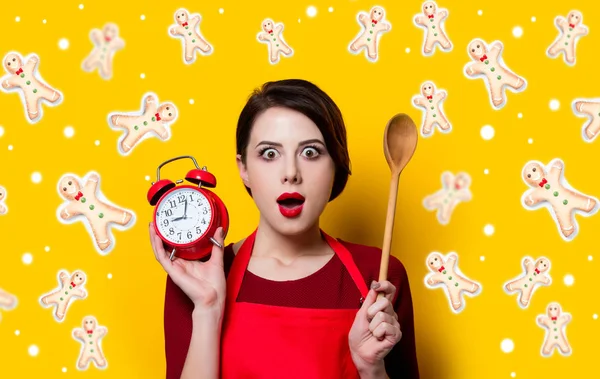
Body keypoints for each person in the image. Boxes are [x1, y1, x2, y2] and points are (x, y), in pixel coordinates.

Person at [150, 79, 420, 379]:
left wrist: (371, 369)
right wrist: (207, 309)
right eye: (269, 153)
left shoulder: (379, 275)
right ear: (243, 169)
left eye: (311, 152)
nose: (291, 173)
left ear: (336, 165)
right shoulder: (195, 279)